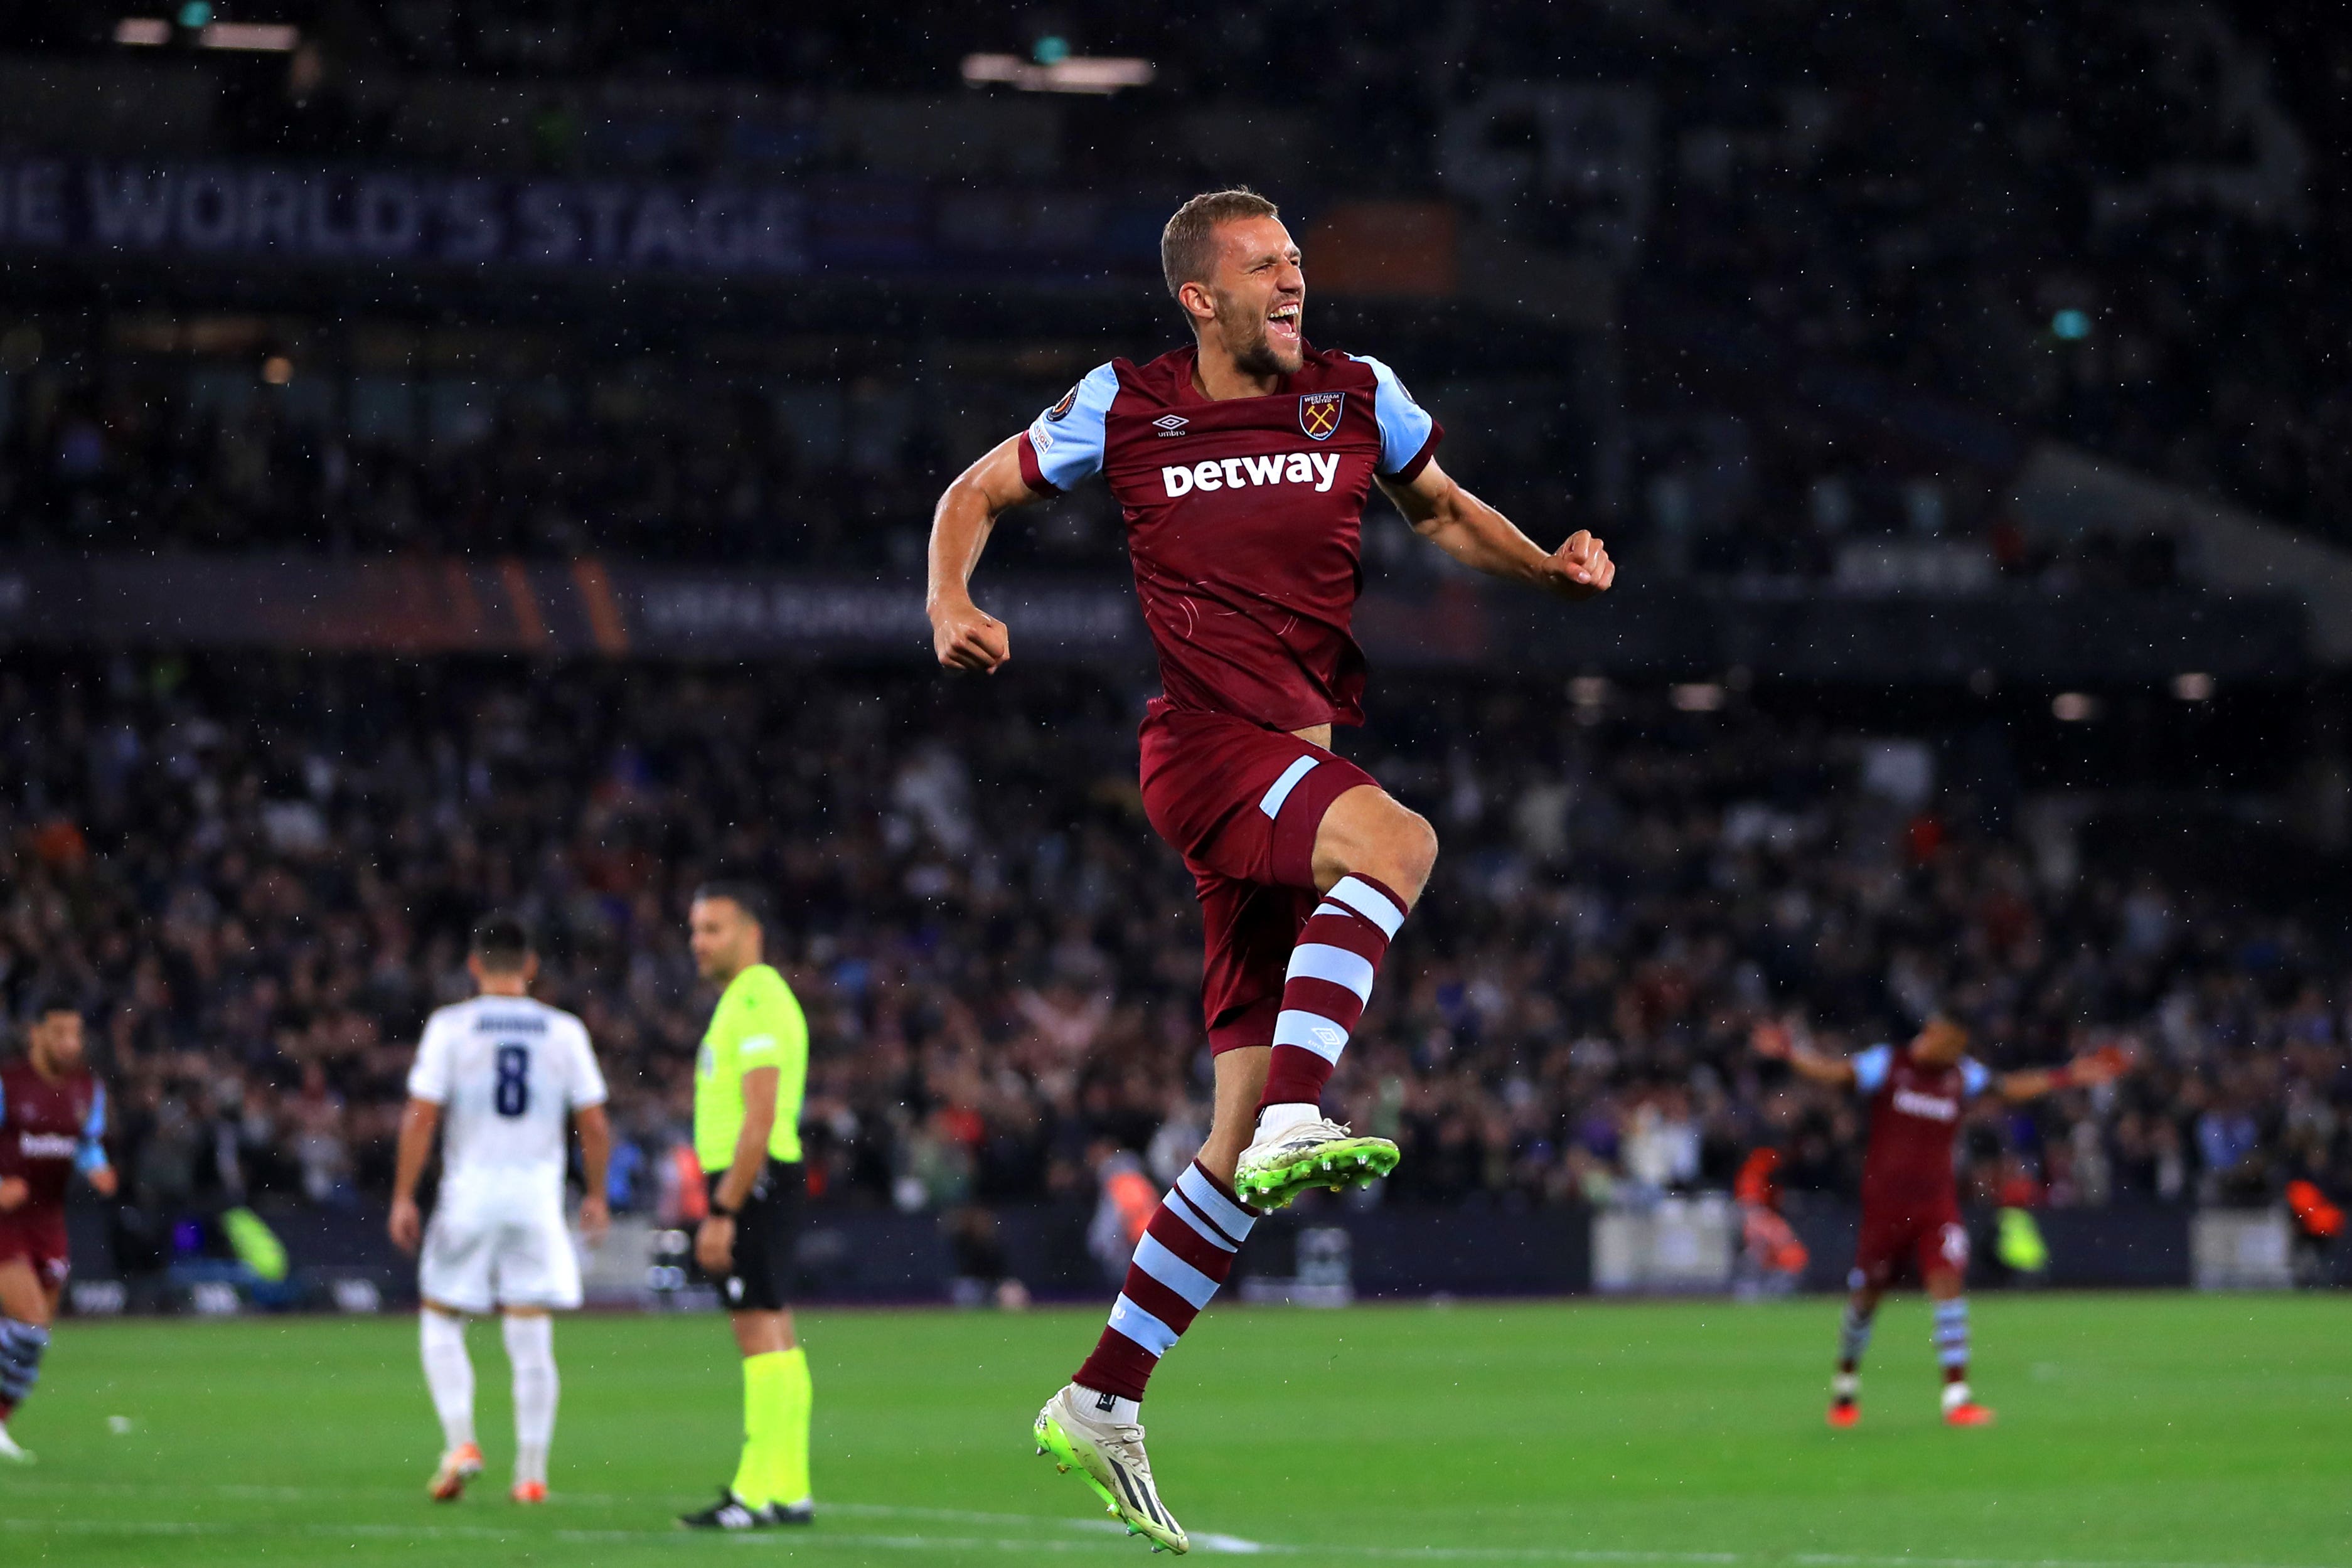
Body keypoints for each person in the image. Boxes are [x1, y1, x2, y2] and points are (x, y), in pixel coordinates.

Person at [926, 185, 1618, 1552]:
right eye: (1264, 265)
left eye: (1298, 259)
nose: (1293, 281)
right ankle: (1311, 1108)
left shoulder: (1359, 393)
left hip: (1284, 769)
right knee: (1400, 839)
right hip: (1203, 749)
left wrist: (1546, 570)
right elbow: (974, 490)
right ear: (1200, 295)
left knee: (1229, 1146)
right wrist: (951, 595)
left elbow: (1440, 509)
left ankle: (1102, 1393)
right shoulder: (1124, 405)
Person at [1753, 1015, 2126, 1428]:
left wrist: (2068, 1074)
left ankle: (1957, 1397)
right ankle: (1845, 1383)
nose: (1923, 1041)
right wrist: (1791, 1054)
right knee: (1866, 1300)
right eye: (1925, 1033)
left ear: (1954, 1045)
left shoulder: (1960, 1075)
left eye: (1935, 1036)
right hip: (1886, 1208)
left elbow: (2008, 1087)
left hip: (1936, 1205)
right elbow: (1836, 1072)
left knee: (1948, 1285)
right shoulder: (1889, 1064)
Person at [389, 914, 611, 1503]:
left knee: (440, 1315)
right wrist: (595, 1193)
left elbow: (421, 1115)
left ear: (474, 965)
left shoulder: (451, 1026)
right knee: (531, 1335)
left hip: (471, 1192)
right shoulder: (563, 1030)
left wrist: (403, 1195)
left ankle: (461, 1440)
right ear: (531, 966)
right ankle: (531, 1475)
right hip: (537, 1198)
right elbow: (593, 1120)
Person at [675, 882, 816, 1531]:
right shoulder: (752, 998)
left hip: (751, 1182)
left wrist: (722, 1209)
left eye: (713, 929)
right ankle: (788, 1486)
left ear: (749, 933)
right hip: (766, 1180)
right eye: (696, 929)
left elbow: (758, 1117)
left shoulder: (755, 997)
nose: (699, 942)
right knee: (775, 1329)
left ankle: (753, 1494)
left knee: (756, 1333)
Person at [0, 1003, 117, 1463]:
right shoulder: (9, 1084)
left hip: (49, 1220)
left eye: (76, 1032)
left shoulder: (88, 1088)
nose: (71, 1042)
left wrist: (99, 1168)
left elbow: (86, 1141)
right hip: (6, 1220)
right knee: (27, 1322)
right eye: (61, 1032)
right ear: (36, 1034)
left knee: (35, 1335)